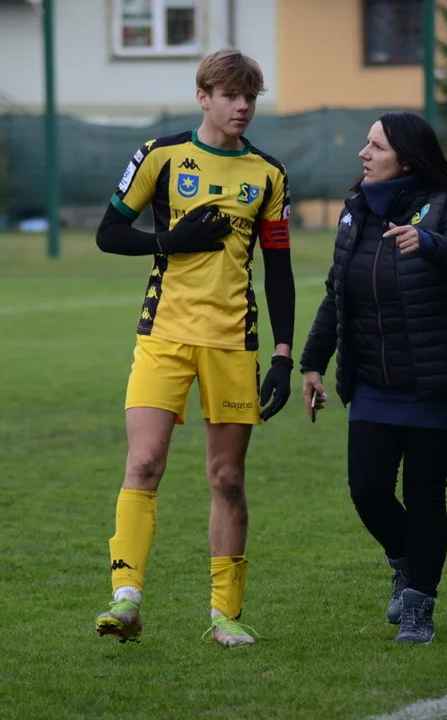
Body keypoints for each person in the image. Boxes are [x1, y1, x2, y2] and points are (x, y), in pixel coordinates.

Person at [92, 49, 296, 649]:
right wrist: (170, 240)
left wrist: (283, 354)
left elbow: (279, 268)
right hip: (164, 337)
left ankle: (224, 616)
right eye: (232, 95)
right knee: (144, 463)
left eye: (251, 97)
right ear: (203, 96)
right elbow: (107, 233)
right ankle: (125, 601)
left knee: (227, 477)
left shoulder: (268, 174)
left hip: (233, 343)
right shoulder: (162, 155)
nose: (243, 107)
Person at [299, 112, 447, 644]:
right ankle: (406, 562)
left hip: (436, 376)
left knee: (425, 495)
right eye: (366, 144)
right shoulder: (357, 210)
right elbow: (338, 292)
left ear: (405, 158)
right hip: (377, 382)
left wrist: (428, 243)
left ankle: (419, 607)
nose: (363, 153)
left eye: (375, 146)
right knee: (369, 489)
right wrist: (314, 362)